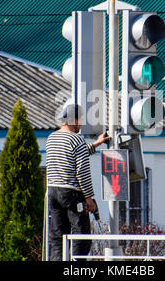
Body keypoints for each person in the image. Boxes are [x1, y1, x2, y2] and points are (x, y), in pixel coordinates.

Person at [46, 103, 110, 261]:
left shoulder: (51, 138)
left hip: (52, 191)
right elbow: (82, 172)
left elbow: (71, 154)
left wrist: (96, 144)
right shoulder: (76, 139)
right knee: (81, 231)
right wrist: (89, 198)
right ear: (73, 120)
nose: (81, 123)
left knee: (57, 234)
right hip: (71, 193)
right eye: (80, 120)